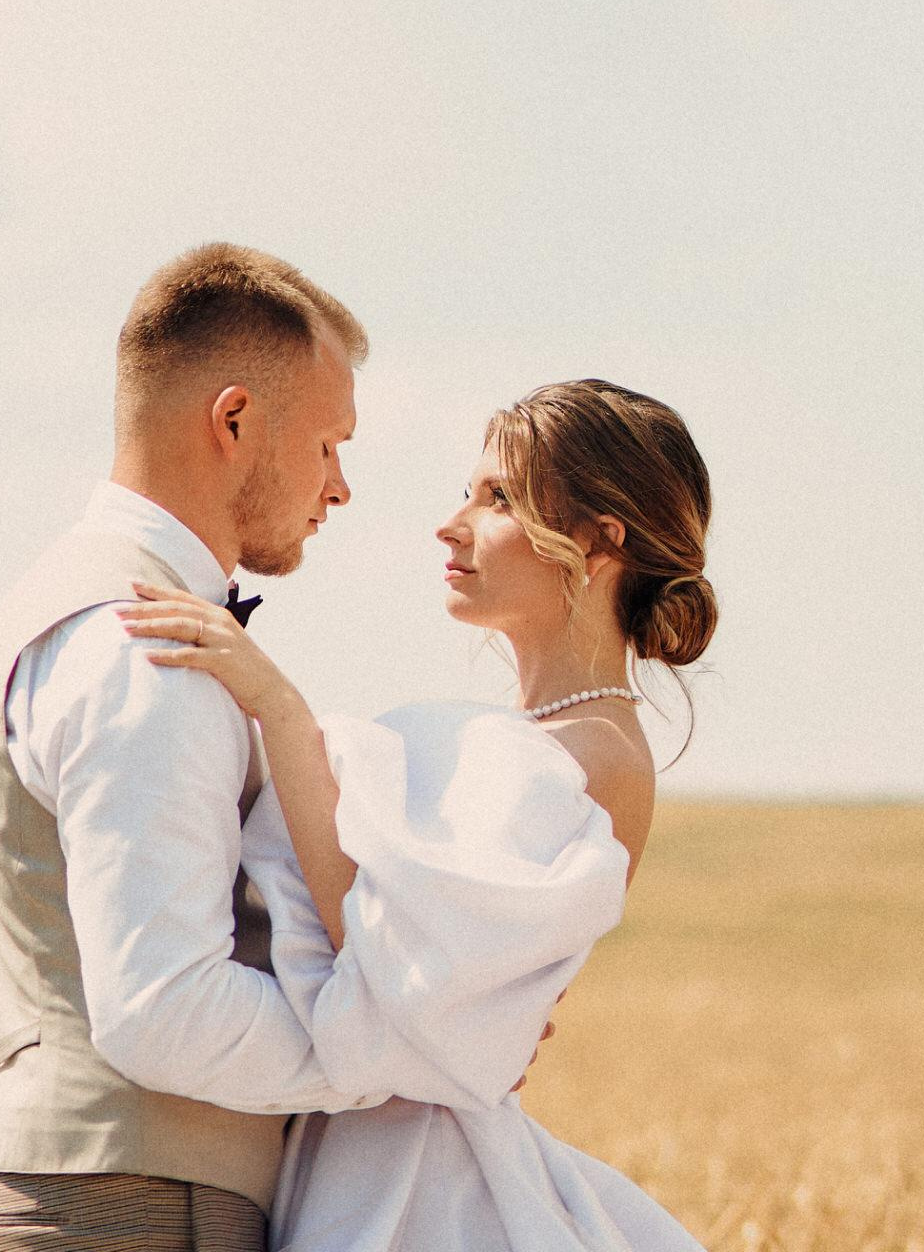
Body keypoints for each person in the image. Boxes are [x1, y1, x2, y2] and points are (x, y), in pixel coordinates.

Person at [119, 376, 716, 1252]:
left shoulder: (597, 754)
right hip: (364, 1147)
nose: (452, 524)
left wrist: (278, 709)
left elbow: (385, 961)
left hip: (418, 1190)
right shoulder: (537, 735)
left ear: (598, 541)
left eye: (498, 498)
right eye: (468, 492)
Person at [0, 241, 369, 1252]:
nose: (340, 486)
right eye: (327, 444)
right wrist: (386, 1049)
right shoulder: (147, 645)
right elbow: (162, 1008)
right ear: (235, 420)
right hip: (130, 1209)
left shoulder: (75, 600)